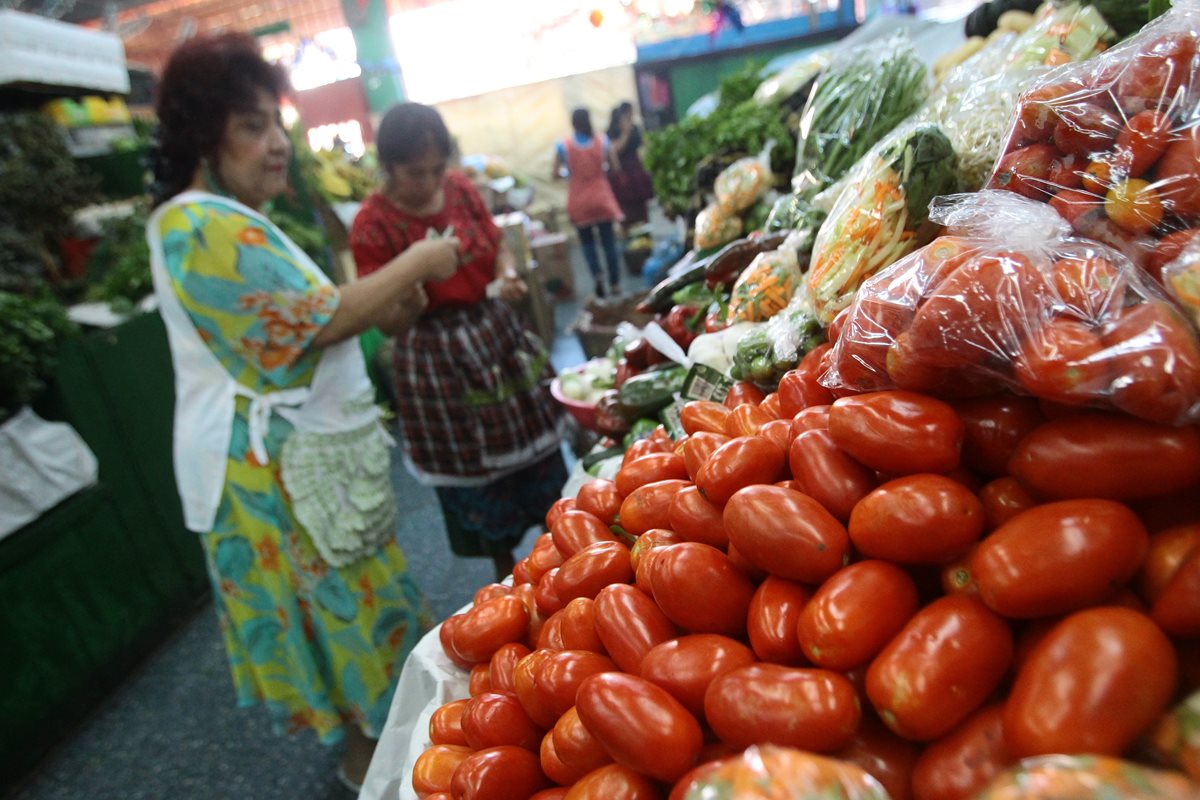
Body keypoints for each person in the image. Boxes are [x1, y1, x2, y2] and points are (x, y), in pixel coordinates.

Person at [145, 34, 458, 792]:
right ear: (201, 135)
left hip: (302, 465)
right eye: (253, 127)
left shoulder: (235, 218)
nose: (278, 145)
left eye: (277, 125)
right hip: (269, 483)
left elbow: (320, 325)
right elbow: (309, 326)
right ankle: (377, 772)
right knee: (342, 623)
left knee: (361, 612)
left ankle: (395, 761)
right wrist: (418, 261)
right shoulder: (195, 224)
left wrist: (395, 305)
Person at [349, 102, 568, 583]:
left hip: (494, 337)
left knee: (541, 467)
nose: (429, 182)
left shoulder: (461, 189)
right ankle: (508, 585)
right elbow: (387, 323)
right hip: (434, 358)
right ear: (387, 166)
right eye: (414, 173)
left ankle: (566, 561)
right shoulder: (372, 224)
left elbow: (497, 246)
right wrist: (413, 284)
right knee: (479, 482)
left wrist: (507, 276)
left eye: (435, 168)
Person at [553, 107, 624, 298]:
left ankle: (598, 276)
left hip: (579, 200)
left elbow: (555, 173)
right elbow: (615, 167)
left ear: (573, 123)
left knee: (587, 244)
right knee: (609, 241)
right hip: (601, 196)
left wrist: (569, 173)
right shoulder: (602, 141)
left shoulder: (563, 145)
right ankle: (615, 283)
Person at [606, 101, 656, 231]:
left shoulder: (635, 128)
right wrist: (625, 133)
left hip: (636, 170)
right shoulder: (613, 132)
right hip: (622, 174)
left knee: (643, 205)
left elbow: (643, 144)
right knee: (627, 210)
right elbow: (615, 151)